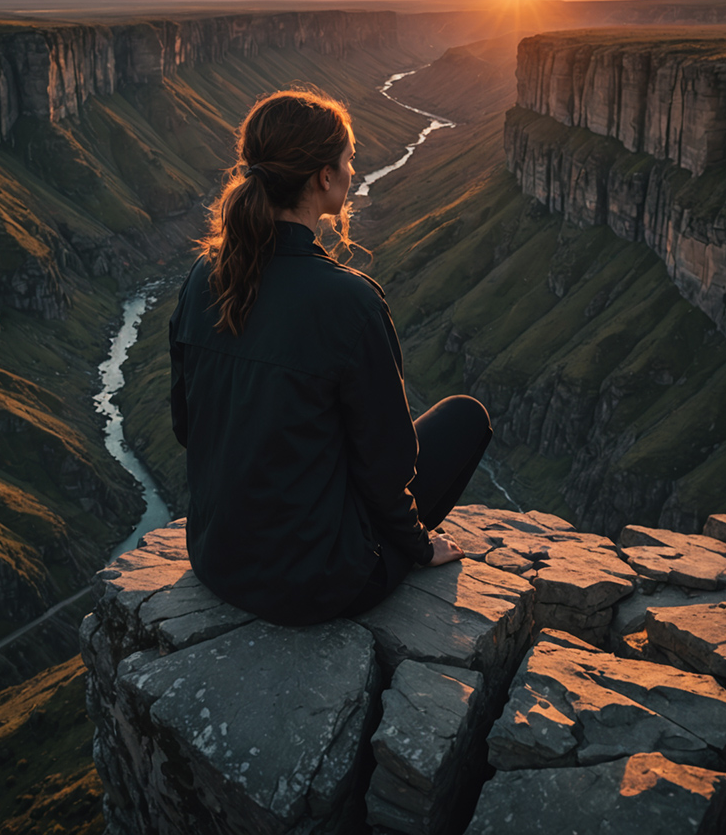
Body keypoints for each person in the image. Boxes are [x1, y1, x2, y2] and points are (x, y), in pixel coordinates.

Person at [168, 87, 491, 625]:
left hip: (216, 559)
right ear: (323, 176)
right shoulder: (350, 300)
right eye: (349, 159)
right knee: (464, 418)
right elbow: (387, 463)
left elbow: (187, 424)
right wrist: (418, 546)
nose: (351, 169)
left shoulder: (205, 275)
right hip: (317, 585)